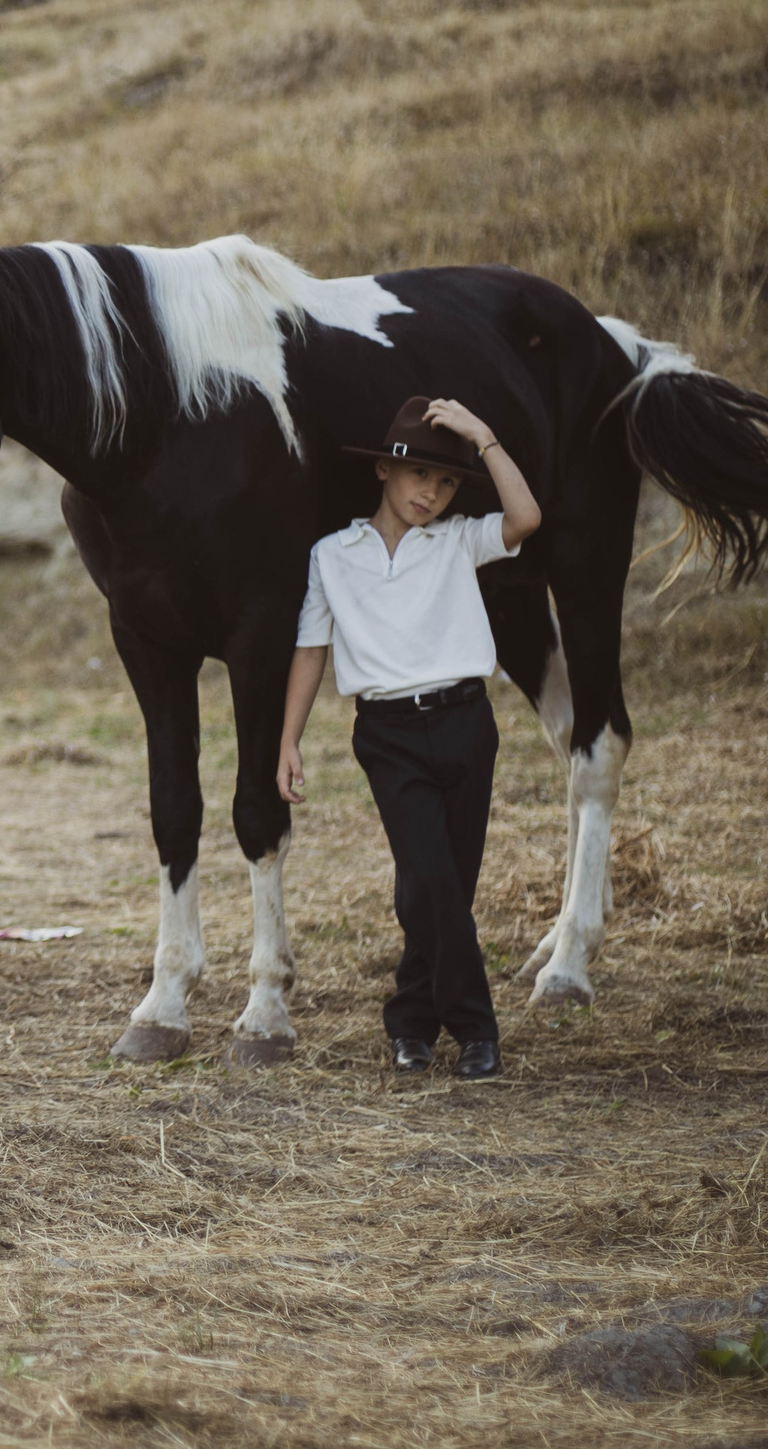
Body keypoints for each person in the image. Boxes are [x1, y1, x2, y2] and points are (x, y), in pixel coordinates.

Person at [276, 397, 543, 1080]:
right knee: (424, 881)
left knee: (449, 885)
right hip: (389, 733)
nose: (432, 492)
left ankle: (412, 1021)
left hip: (465, 722)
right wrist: (289, 741)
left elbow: (526, 517)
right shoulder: (332, 556)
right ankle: (478, 1029)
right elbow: (311, 649)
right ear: (383, 470)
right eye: (420, 473)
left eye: (447, 481)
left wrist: (484, 437)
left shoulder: (455, 541)